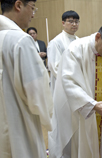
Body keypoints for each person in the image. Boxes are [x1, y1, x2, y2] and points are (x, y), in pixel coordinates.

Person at [48, 22, 102, 158]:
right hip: (81, 112)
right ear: (98, 37)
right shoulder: (76, 49)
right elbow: (69, 82)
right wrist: (92, 105)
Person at [0, 0, 53, 157]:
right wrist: (47, 115)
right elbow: (35, 89)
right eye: (32, 8)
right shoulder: (21, 40)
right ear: (18, 5)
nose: (32, 14)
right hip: (19, 119)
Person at [47, 10, 79, 95]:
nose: (74, 24)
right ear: (63, 23)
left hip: (78, 83)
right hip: (63, 84)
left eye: (76, 22)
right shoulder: (56, 42)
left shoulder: (80, 41)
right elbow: (54, 67)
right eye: (71, 21)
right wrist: (70, 83)